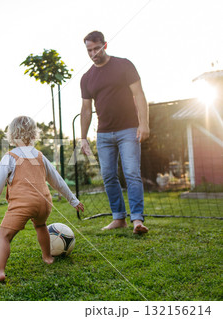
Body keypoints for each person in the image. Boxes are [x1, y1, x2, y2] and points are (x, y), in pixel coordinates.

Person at [0, 116, 84, 284]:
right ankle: (47, 257)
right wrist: (73, 200)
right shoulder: (40, 156)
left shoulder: (10, 156)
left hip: (23, 204)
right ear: (34, 134)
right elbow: (58, 181)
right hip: (44, 203)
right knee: (41, 226)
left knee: (3, 236)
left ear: (11, 135)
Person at [80, 31, 150, 234]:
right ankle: (119, 218)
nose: (93, 53)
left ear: (105, 45)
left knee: (131, 173)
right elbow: (86, 109)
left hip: (129, 129)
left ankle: (137, 219)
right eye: (89, 50)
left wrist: (143, 124)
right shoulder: (86, 78)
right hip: (103, 134)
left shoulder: (124, 65)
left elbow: (139, 94)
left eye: (96, 48)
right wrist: (83, 137)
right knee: (108, 176)